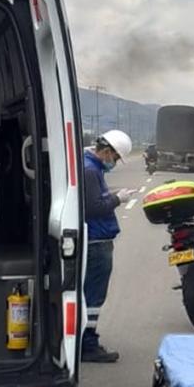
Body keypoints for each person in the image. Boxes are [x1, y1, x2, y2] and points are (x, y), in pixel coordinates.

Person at [82, 129, 134, 363]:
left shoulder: (90, 167)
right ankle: (88, 344)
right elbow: (92, 208)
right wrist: (117, 199)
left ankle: (85, 340)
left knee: (90, 294)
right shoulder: (91, 171)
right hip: (96, 242)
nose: (115, 162)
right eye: (115, 158)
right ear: (106, 151)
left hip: (94, 240)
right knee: (93, 296)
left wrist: (111, 195)